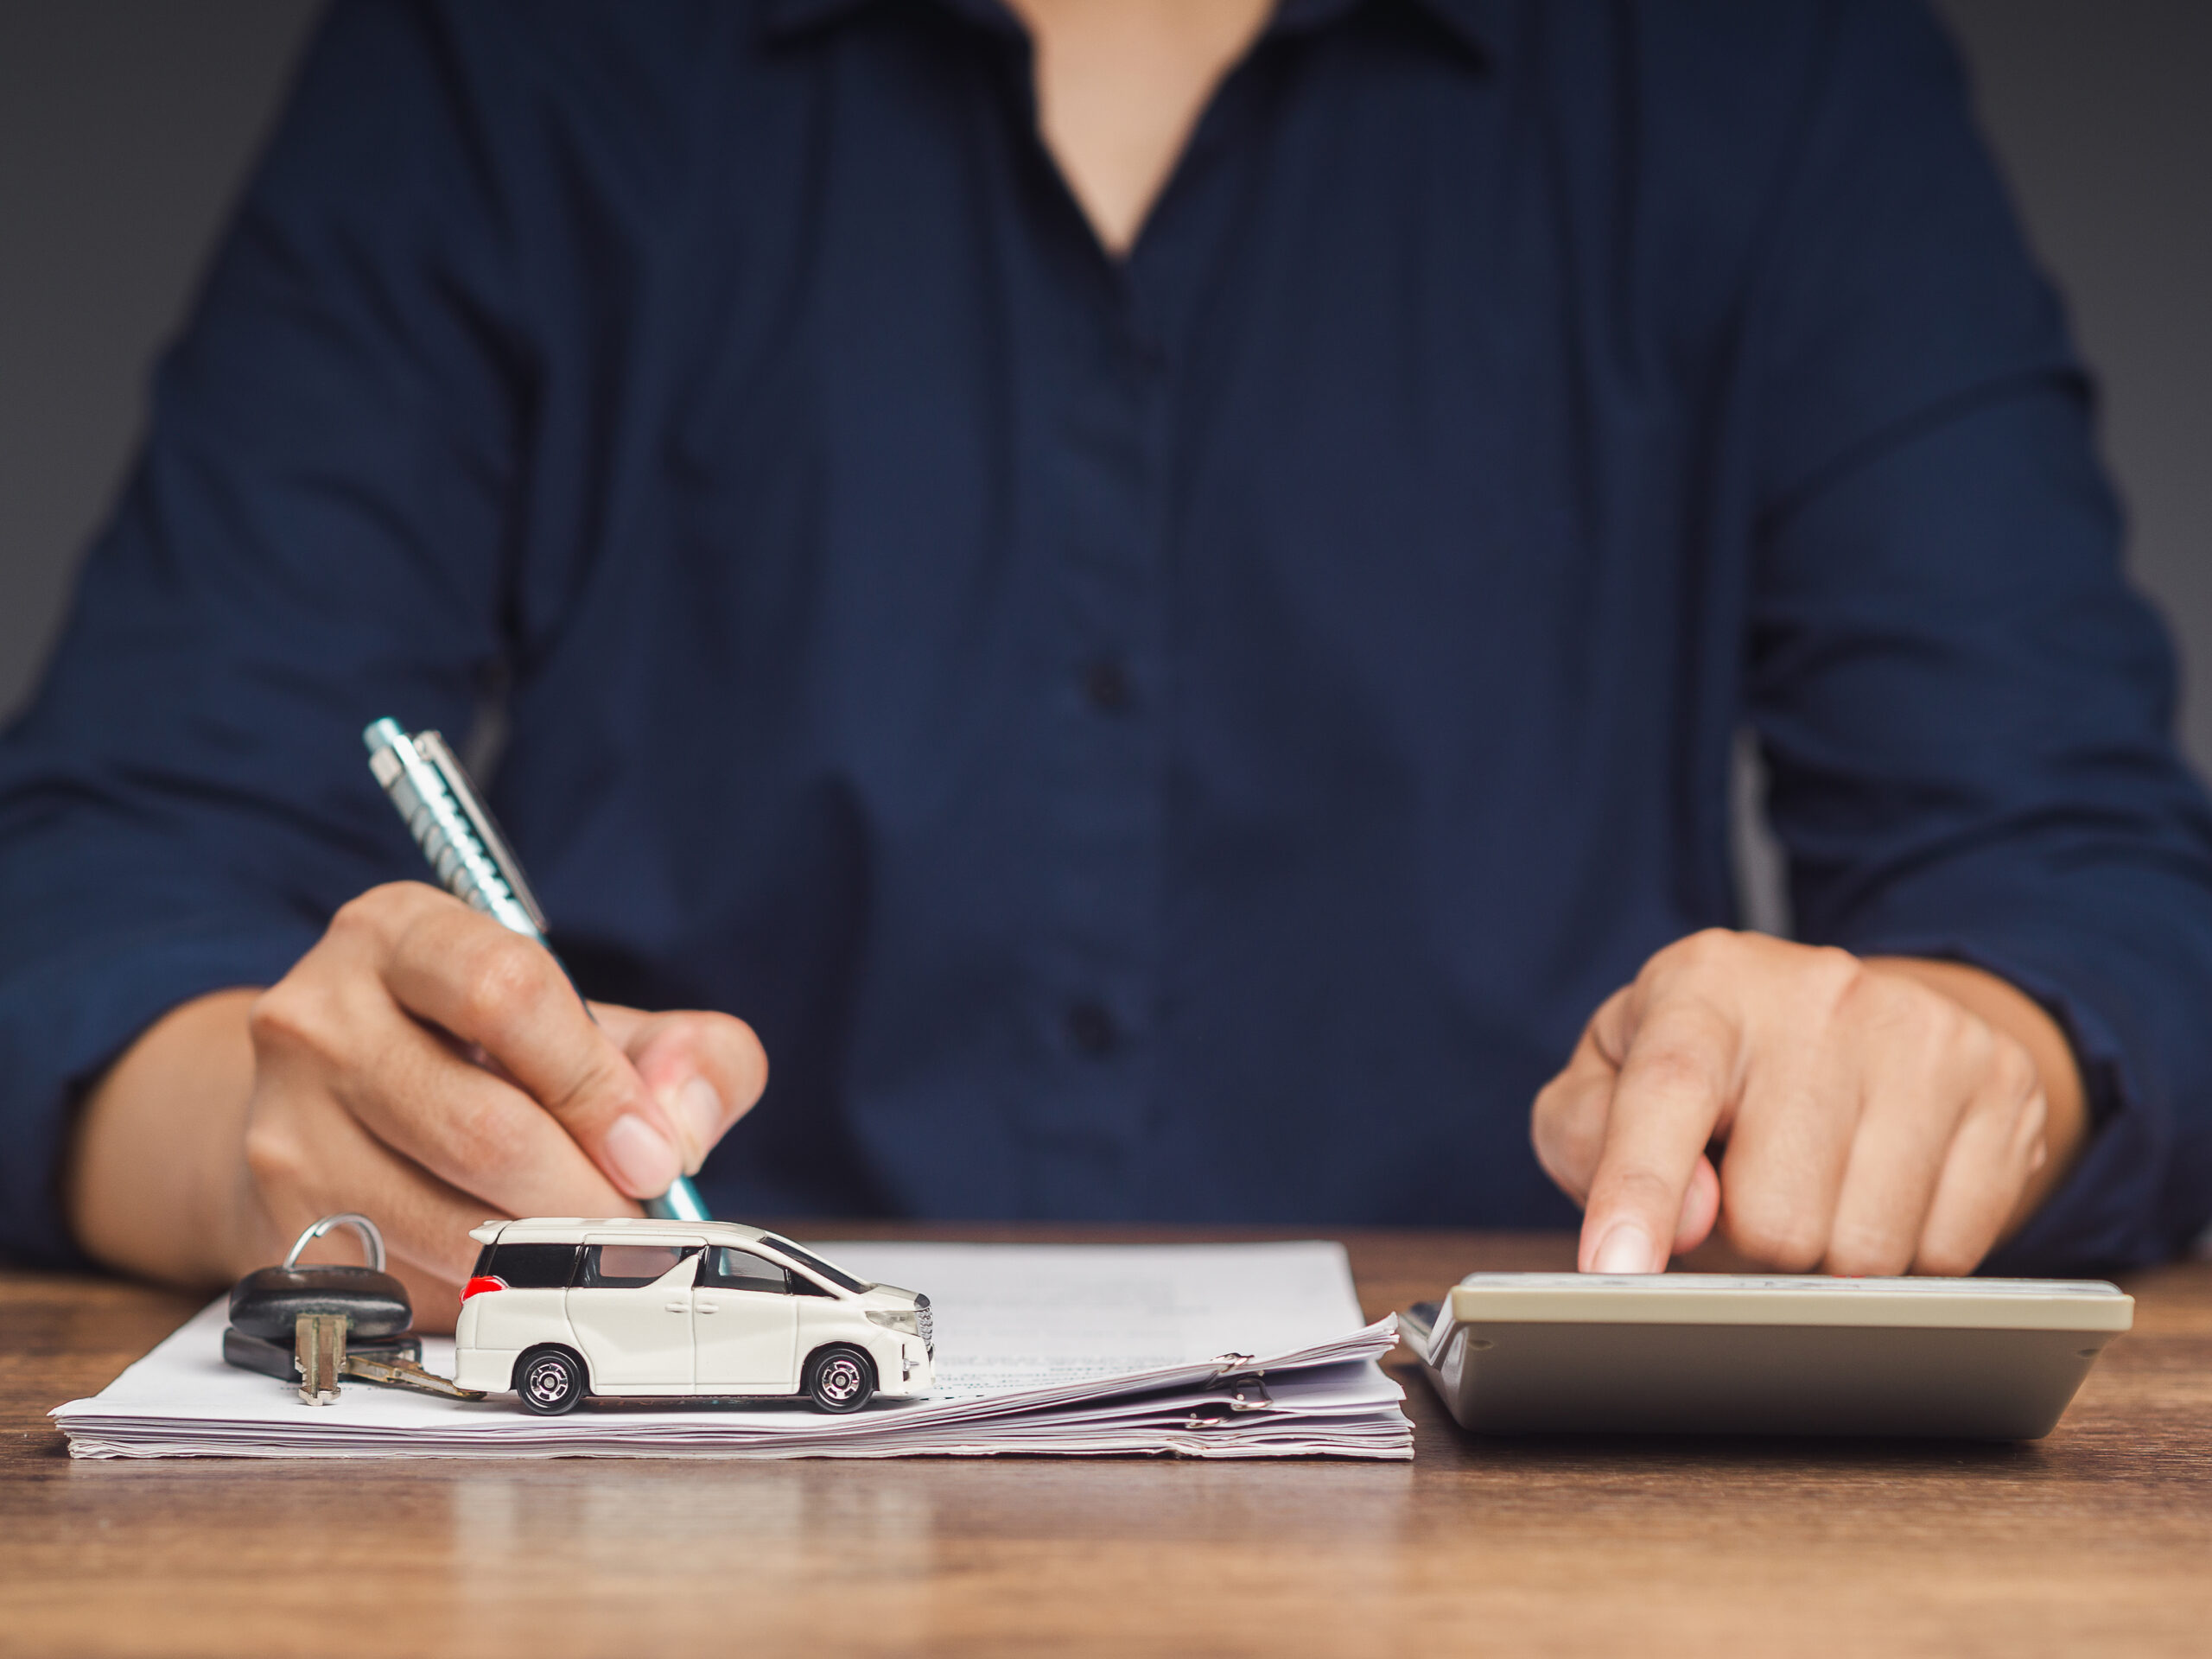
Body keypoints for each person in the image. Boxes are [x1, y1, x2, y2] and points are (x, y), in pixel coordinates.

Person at [3, 0, 2209, 1326]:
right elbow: (95, 893)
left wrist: (1960, 1061)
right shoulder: (513, 52)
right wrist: (279, 1156)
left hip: (1531, 1542)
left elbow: (2086, 888)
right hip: (664, 1519)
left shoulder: (1769, 60)